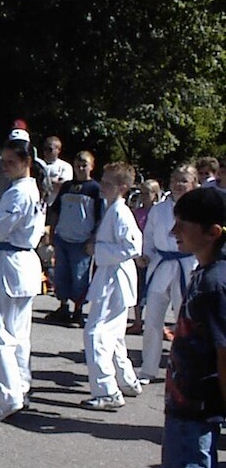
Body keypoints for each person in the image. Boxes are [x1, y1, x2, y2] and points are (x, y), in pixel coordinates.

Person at [131, 187, 226, 468]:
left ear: (214, 231)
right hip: (181, 402)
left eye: (183, 226)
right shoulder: (203, 271)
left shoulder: (218, 283)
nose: (173, 232)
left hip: (198, 407)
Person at [0, 137, 46, 424]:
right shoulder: (33, 190)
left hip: (10, 265)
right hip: (21, 263)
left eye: (11, 162)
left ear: (26, 163)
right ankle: (21, 387)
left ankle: (9, 396)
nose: (5, 167)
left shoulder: (19, 193)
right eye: (3, 161)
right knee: (17, 335)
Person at [81, 163, 144, 410]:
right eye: (102, 181)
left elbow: (133, 247)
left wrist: (97, 250)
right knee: (115, 334)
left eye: (108, 183)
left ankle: (107, 391)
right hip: (111, 275)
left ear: (123, 188)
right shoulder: (112, 209)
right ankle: (128, 381)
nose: (102, 186)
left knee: (95, 333)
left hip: (115, 279)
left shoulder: (121, 212)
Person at [137, 165, 200, 385]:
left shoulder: (199, 208)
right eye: (175, 180)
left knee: (186, 322)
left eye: (184, 180)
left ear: (193, 183)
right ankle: (148, 369)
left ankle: (185, 369)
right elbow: (149, 236)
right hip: (161, 265)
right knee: (153, 319)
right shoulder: (159, 209)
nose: (178, 184)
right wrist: (146, 254)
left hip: (187, 265)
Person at [45, 151, 103, 327]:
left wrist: (93, 239)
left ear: (92, 166)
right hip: (63, 237)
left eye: (84, 164)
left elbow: (100, 217)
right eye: (77, 164)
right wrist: (52, 232)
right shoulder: (67, 186)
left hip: (81, 241)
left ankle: (78, 311)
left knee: (80, 276)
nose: (80, 168)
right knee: (61, 274)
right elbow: (56, 210)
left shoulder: (95, 189)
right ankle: (63, 307)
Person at [126, 179, 163, 335]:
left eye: (147, 193)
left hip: (156, 256)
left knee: (157, 292)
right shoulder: (136, 213)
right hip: (139, 256)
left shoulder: (159, 212)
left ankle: (156, 323)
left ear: (155, 195)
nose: (144, 196)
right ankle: (138, 320)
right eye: (142, 193)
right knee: (139, 288)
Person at [41, 136, 73, 207]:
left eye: (49, 149)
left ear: (58, 150)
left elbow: (65, 185)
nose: (46, 152)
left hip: (56, 206)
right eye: (44, 148)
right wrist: (54, 180)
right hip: (40, 205)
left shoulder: (65, 166)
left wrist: (46, 180)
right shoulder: (39, 165)